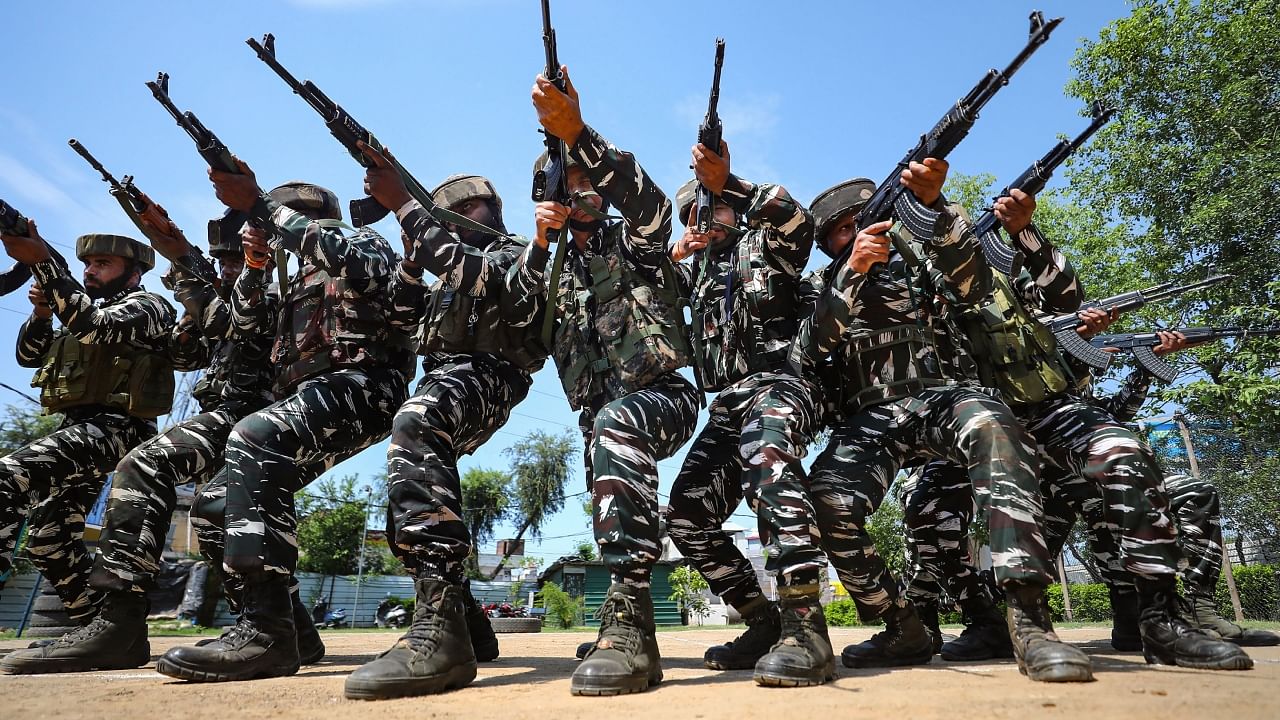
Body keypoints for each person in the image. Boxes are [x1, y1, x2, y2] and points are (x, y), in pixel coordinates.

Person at [155, 168, 413, 683]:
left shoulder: (360, 242)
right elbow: (240, 326)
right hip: (310, 398)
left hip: (365, 383)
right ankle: (293, 626)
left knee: (253, 434)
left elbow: (356, 260)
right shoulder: (288, 280)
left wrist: (263, 208)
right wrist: (252, 265)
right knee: (212, 508)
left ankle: (265, 632)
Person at [506, 65, 700, 696]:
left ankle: (630, 628)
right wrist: (539, 248)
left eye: (590, 181)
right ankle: (755, 616)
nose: (584, 190)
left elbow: (652, 205)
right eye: (570, 181)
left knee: (616, 428)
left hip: (663, 396)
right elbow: (512, 322)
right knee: (607, 477)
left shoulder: (635, 241)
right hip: (601, 425)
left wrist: (577, 131)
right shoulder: (548, 269)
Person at [343, 156, 546, 700]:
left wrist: (405, 208)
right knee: (409, 492)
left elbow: (476, 275)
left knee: (416, 423)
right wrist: (411, 263)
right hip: (443, 376)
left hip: (491, 373)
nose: (456, 219)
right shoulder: (442, 274)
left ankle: (439, 630)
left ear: (491, 211)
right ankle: (465, 621)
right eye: (446, 214)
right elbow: (403, 321)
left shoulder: (514, 253)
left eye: (466, 209)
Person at [661, 137, 819, 676]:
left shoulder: (764, 245)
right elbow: (640, 289)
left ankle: (805, 620)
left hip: (779, 387)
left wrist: (729, 181)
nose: (703, 220)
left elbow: (799, 224)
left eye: (711, 206)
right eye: (692, 215)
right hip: (727, 409)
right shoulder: (694, 273)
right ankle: (761, 619)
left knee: (767, 454)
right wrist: (670, 258)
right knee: (685, 514)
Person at [0, 227, 175, 674]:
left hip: (120, 429)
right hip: (80, 429)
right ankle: (99, 629)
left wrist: (44, 260)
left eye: (103, 265)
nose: (91, 271)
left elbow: (97, 328)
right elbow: (27, 355)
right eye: (87, 265)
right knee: (47, 535)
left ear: (133, 275)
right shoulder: (76, 310)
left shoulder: (148, 306)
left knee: (7, 477)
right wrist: (41, 313)